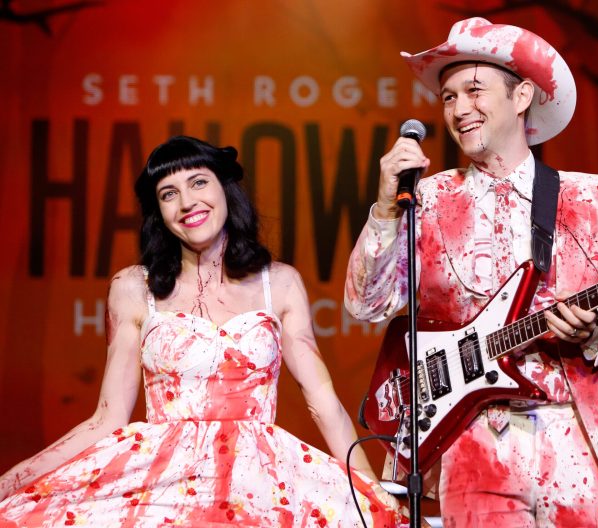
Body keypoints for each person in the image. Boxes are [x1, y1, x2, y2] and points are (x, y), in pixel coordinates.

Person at [344, 17, 598, 527]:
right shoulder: (426, 199)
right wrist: (386, 209)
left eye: (474, 90)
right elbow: (365, 305)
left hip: (580, 439)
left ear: (522, 97)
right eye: (448, 97)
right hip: (472, 442)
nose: (458, 109)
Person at [0, 136, 405, 527]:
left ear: (225, 189)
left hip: (258, 485)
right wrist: (14, 479)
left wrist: (370, 488)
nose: (187, 201)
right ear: (158, 211)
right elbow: (107, 419)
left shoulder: (278, 283)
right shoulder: (133, 289)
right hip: (162, 488)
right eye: (168, 193)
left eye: (198, 182)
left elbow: (323, 403)